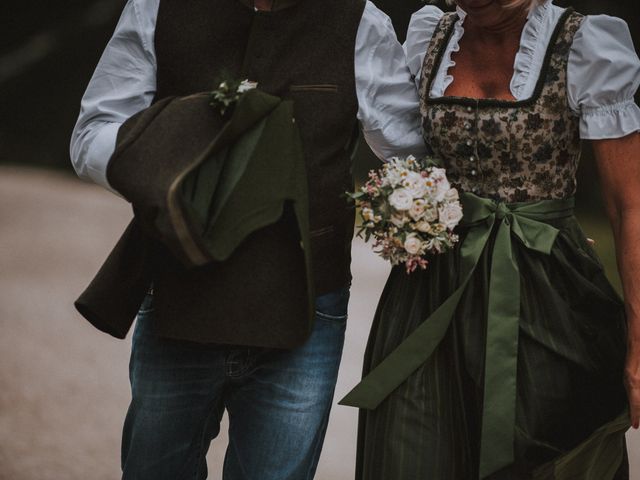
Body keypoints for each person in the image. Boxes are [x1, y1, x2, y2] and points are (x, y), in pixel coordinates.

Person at [69, 0, 426, 478]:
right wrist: (182, 143)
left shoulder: (360, 21)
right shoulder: (156, 8)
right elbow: (91, 136)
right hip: (180, 291)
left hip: (309, 307)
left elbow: (413, 148)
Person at [340, 0, 640, 478]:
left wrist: (638, 344)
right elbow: (401, 145)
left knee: (546, 451)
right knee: (411, 453)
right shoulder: (429, 38)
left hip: (549, 293)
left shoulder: (582, 44)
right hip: (431, 294)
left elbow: (630, 206)